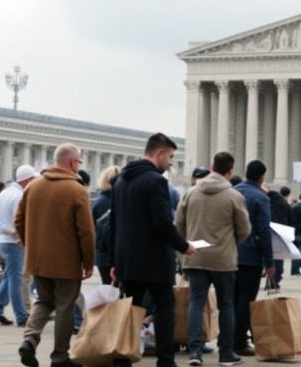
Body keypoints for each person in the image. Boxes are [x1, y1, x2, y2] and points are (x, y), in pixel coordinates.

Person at [110, 133, 196, 367]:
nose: (170, 163)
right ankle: (166, 360)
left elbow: (114, 224)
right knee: (165, 308)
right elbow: (161, 222)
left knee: (130, 311)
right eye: (170, 157)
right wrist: (183, 246)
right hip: (154, 260)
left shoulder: (119, 181)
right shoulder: (155, 182)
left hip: (127, 260)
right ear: (159, 153)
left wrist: (114, 261)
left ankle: (122, 359)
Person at [15, 143, 95, 367]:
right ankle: (59, 357)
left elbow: (18, 221)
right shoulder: (77, 190)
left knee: (43, 300)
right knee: (65, 307)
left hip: (38, 259)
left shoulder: (33, 186)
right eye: (78, 162)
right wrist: (88, 262)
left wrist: (31, 245)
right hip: (66, 262)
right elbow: (86, 232)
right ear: (72, 163)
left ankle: (29, 340)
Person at [176, 151, 250, 367]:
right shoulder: (234, 196)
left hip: (195, 255)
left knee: (196, 303)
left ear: (211, 166)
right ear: (230, 171)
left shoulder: (190, 193)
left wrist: (184, 250)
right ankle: (226, 353)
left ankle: (195, 351)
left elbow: (178, 226)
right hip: (223, 258)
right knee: (226, 304)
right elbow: (244, 229)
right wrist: (229, 244)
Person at [0, 165, 37, 328]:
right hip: (16, 243)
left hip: (4, 241)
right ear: (27, 180)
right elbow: (22, 222)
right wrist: (17, 233)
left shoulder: (5, 193)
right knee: (16, 279)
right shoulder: (20, 196)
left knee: (9, 276)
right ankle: (21, 315)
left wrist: (6, 230)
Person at [232, 160, 274, 357]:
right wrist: (270, 261)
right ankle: (239, 341)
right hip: (250, 254)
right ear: (261, 177)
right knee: (246, 299)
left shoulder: (232, 191)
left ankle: (228, 338)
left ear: (245, 171)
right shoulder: (260, 197)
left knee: (230, 299)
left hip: (229, 253)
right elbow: (264, 231)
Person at [91, 165, 121, 285]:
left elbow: (92, 228)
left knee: (107, 287)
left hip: (102, 254)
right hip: (121, 253)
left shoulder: (97, 203)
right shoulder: (124, 200)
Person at [266, 186, 293, 289]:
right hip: (281, 233)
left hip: (268, 233)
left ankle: (271, 280)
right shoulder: (284, 204)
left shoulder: (267, 204)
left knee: (271, 258)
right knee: (278, 259)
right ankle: (275, 279)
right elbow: (290, 219)